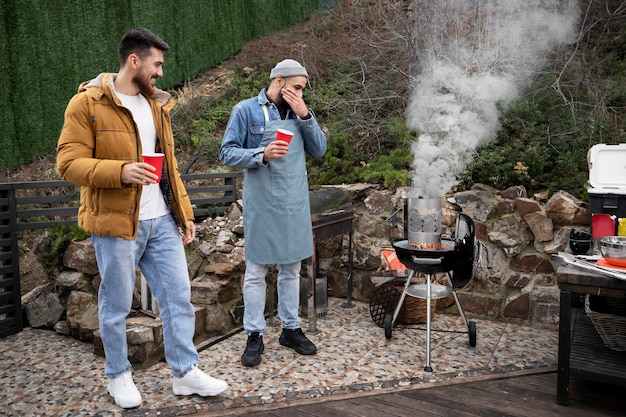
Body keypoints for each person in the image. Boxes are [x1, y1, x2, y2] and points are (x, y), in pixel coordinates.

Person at [56, 27, 228, 409]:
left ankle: (184, 372)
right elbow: (67, 163)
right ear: (134, 60)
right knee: (116, 304)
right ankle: (117, 375)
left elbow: (170, 166)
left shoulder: (155, 105)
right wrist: (120, 171)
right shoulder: (86, 104)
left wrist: (184, 213)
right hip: (118, 224)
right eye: (157, 64)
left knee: (179, 298)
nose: (161, 73)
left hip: (162, 220)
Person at [219, 59, 327, 367]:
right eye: (296, 87)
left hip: (293, 201)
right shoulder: (245, 111)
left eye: (302, 89)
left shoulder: (300, 113)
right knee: (256, 272)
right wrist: (260, 154)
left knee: (291, 270)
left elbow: (318, 150)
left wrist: (306, 114)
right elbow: (226, 152)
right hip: (262, 202)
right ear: (278, 82)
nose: (299, 93)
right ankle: (254, 335)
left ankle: (291, 329)